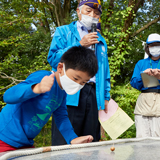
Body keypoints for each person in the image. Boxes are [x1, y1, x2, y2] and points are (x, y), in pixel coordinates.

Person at [0, 46, 98, 153]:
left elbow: (61, 117)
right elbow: (8, 96)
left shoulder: (62, 93)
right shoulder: (43, 77)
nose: (78, 84)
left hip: (25, 143)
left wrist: (72, 138)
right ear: (60, 68)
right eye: (75, 78)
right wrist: (37, 88)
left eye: (83, 82)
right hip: (4, 137)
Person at [48, 0, 111, 145]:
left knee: (90, 140)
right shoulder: (63, 31)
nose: (92, 15)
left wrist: (106, 96)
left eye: (96, 13)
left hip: (93, 93)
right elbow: (52, 59)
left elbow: (105, 71)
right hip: (69, 90)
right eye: (88, 11)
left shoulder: (100, 40)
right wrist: (80, 44)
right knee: (64, 141)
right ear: (78, 11)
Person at [130, 33, 160, 137]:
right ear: (147, 48)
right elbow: (133, 83)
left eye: (157, 45)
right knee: (142, 137)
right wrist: (144, 76)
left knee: (158, 139)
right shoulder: (141, 63)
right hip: (143, 103)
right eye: (152, 45)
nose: (155, 48)